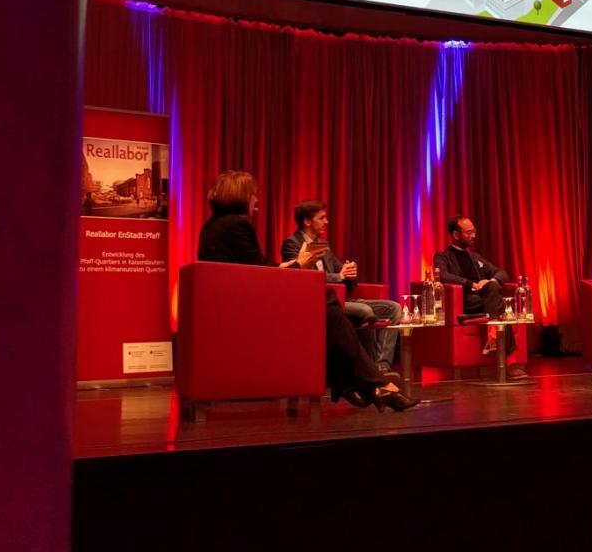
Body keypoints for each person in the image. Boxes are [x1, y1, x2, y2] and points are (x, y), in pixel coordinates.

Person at [196, 170, 412, 410]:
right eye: (254, 194)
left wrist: (340, 272)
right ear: (240, 195)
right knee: (327, 301)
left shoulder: (213, 226)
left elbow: (258, 267)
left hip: (238, 302)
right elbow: (259, 274)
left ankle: (361, 382)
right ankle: (364, 382)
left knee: (329, 304)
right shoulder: (237, 225)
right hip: (246, 308)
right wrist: (299, 264)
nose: (257, 200)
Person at [279, 199, 401, 372]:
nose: (326, 222)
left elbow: (340, 271)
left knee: (394, 308)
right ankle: (367, 369)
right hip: (319, 302)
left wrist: (350, 272)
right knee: (365, 311)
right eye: (321, 218)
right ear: (307, 221)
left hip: (342, 298)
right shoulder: (292, 244)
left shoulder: (324, 245)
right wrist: (340, 275)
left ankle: (381, 367)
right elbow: (306, 277)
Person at [433, 214, 526, 380]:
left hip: (484, 300)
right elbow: (443, 276)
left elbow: (502, 273)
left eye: (474, 231)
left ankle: (493, 336)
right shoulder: (442, 257)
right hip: (463, 301)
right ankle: (510, 361)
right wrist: (471, 284)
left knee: (494, 289)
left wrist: (490, 281)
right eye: (469, 232)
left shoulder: (475, 257)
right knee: (499, 304)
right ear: (456, 235)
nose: (473, 235)